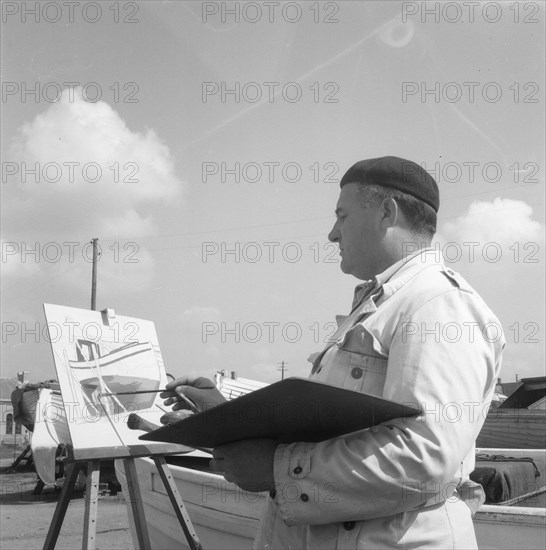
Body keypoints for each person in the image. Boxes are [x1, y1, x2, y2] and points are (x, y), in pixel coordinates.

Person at [161, 156, 505, 549]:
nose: (332, 234)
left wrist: (276, 470)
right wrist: (226, 418)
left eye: (342, 216)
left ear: (386, 212)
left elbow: (424, 457)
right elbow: (332, 430)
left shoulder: (438, 305)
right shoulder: (384, 305)